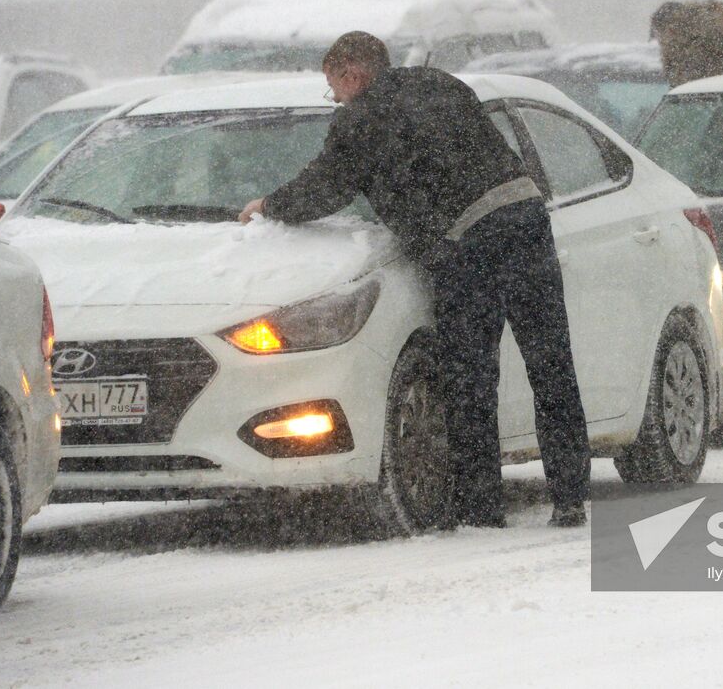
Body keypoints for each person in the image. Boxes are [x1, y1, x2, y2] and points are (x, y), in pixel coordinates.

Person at [238, 32, 590, 527]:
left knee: (470, 375)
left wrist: (267, 207)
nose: (335, 98)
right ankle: (571, 495)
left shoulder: (361, 119)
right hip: (525, 217)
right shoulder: (440, 83)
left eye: (332, 87)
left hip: (470, 240)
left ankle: (480, 506)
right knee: (550, 361)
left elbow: (325, 186)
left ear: (352, 74)